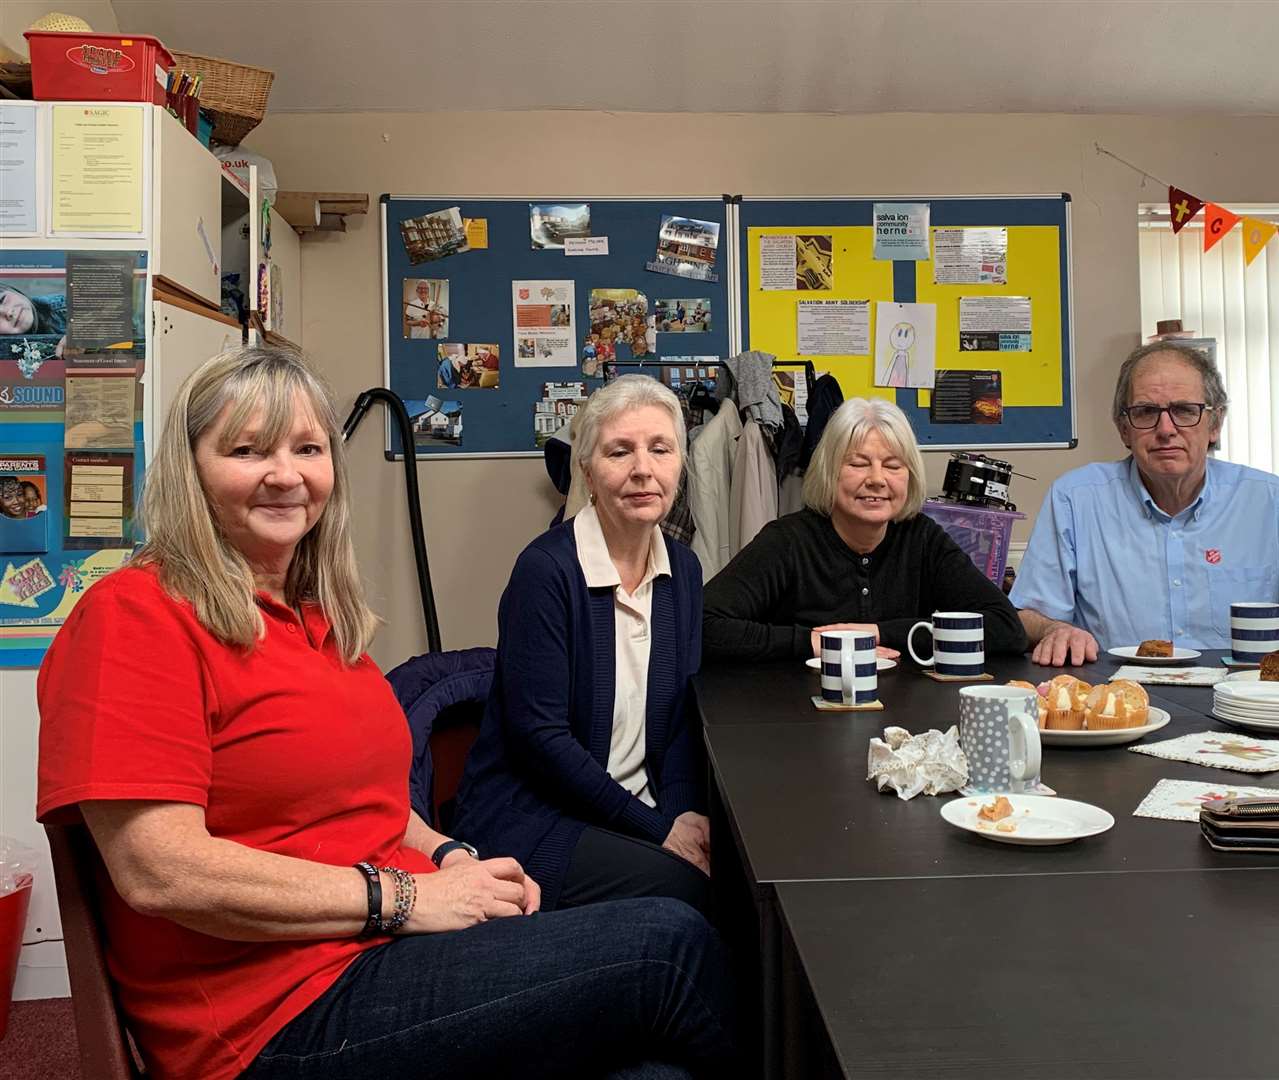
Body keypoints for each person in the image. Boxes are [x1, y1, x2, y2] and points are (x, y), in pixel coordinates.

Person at [36, 347, 736, 1080]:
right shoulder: (136, 615)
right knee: (669, 943)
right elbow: (159, 871)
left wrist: (446, 854)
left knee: (653, 1071)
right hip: (277, 1011)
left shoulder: (310, 617)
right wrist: (401, 897)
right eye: (247, 450)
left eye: (307, 448)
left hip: (385, 944)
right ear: (190, 470)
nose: (285, 474)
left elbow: (360, 799)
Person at [454, 374, 712, 915]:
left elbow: (684, 715)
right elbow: (540, 739)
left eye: (660, 449)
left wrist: (687, 816)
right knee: (695, 894)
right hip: (540, 816)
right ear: (589, 474)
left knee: (743, 868)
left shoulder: (684, 570)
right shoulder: (546, 571)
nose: (643, 469)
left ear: (679, 468)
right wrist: (661, 830)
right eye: (620, 451)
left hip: (638, 810)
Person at [1012, 340, 1279, 666]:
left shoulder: (1270, 501)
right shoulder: (1076, 498)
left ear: (1214, 425)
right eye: (1146, 412)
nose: (1166, 429)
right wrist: (1054, 630)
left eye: (1184, 410)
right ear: (1124, 428)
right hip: (1117, 703)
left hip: (1246, 708)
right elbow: (1028, 614)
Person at [702, 397, 1028, 661]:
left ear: (909, 476)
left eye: (892, 465)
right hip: (799, 721)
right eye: (858, 463)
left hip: (906, 727)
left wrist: (878, 634)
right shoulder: (788, 542)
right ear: (829, 472)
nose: (876, 479)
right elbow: (703, 626)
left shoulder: (923, 538)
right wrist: (815, 643)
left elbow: (1005, 628)